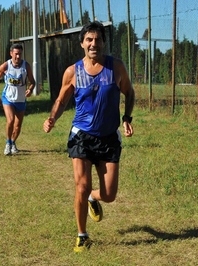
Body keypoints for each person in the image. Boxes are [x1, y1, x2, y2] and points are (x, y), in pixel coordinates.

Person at [43, 21, 135, 252]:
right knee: (82, 186)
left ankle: (95, 198)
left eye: (98, 40)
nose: (94, 44)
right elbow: (62, 100)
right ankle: (82, 235)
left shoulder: (116, 68)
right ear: (82, 43)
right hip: (81, 136)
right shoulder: (73, 71)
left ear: (103, 42)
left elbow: (130, 92)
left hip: (108, 138)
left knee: (109, 194)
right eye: (89, 40)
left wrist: (127, 118)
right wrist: (53, 118)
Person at [0, 43, 36, 155]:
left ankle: (13, 142)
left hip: (21, 99)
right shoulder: (5, 66)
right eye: (16, 54)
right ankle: (8, 143)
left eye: (20, 54)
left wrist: (30, 90)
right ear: (11, 53)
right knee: (10, 121)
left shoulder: (26, 66)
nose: (18, 57)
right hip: (8, 98)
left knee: (18, 126)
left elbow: (33, 82)